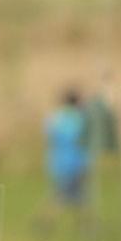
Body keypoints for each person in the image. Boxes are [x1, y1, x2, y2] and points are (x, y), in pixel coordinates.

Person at [41, 88, 90, 229]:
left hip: (57, 162)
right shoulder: (79, 118)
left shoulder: (55, 117)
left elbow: (48, 134)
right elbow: (82, 138)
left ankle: (85, 224)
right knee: (67, 197)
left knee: (73, 196)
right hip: (75, 163)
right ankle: (45, 222)